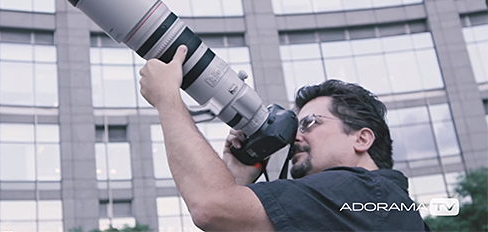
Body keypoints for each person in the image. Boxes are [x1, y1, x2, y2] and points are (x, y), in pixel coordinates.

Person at [139, 45, 429, 231]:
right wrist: (237, 181)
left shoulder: (361, 190)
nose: (295, 137)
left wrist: (166, 97)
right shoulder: (374, 209)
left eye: (310, 123)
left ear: (362, 139)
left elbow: (210, 206)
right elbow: (222, 214)